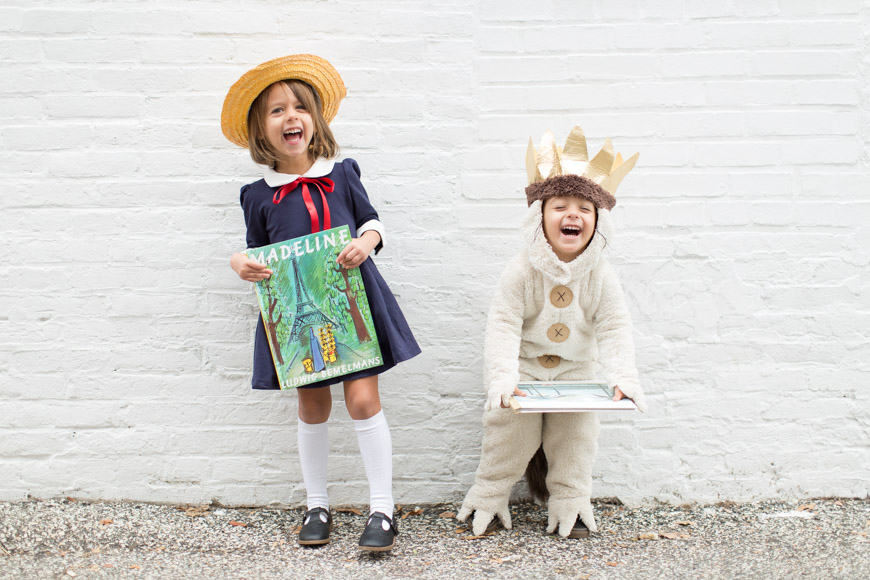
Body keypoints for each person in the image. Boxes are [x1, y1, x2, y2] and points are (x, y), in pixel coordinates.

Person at [221, 54, 420, 552]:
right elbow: (255, 251)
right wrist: (239, 263)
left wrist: (366, 242)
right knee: (313, 405)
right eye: (276, 111)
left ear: (315, 118)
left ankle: (382, 509)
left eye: (299, 107)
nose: (291, 117)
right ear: (260, 131)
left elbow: (373, 221)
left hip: (351, 301)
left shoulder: (343, 173)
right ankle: (316, 504)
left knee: (363, 400)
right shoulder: (257, 195)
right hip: (295, 309)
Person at [457, 126, 647, 539]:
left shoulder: (601, 274)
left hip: (577, 370)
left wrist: (622, 377)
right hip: (524, 368)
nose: (572, 214)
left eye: (584, 207)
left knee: (576, 437)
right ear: (540, 214)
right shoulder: (521, 269)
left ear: (598, 222)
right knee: (508, 432)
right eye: (560, 205)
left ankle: (571, 503)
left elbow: (614, 326)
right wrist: (503, 378)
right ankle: (488, 495)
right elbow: (503, 323)